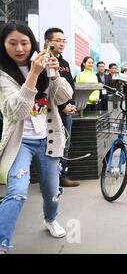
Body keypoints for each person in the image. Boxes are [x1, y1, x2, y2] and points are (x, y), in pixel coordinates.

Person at [0, 21, 74, 253]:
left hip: (48, 138)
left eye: (24, 42)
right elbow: (16, 111)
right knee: (18, 191)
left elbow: (64, 97)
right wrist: (33, 73)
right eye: (12, 43)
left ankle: (50, 219)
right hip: (19, 143)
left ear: (33, 43)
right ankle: (2, 242)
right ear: (3, 45)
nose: (19, 48)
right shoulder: (3, 75)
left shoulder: (48, 64)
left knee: (51, 190)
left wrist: (53, 76)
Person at [44, 27, 79, 188]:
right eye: (58, 40)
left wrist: (69, 105)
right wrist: (64, 105)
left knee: (65, 143)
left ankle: (62, 176)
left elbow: (70, 85)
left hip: (66, 110)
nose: (62, 43)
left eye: (63, 40)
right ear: (47, 42)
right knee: (51, 145)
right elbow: (49, 88)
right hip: (50, 111)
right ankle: (50, 179)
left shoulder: (63, 62)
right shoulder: (43, 60)